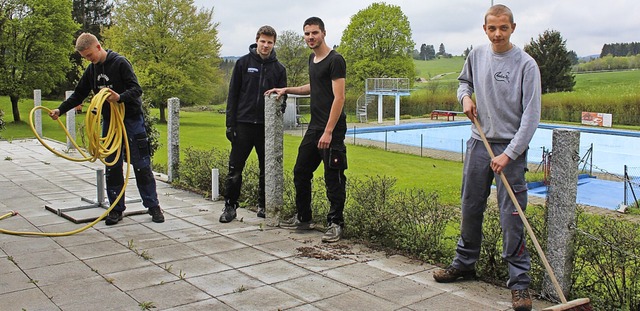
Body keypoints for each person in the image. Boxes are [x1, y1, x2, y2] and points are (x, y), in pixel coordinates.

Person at [431, 5, 541, 311]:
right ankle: (464, 264)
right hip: (479, 143)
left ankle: (519, 284)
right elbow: (463, 83)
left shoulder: (527, 65)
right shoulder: (476, 56)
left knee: (512, 217)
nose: (497, 34)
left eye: (503, 28)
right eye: (492, 28)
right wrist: (464, 98)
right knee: (470, 206)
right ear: (484, 28)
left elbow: (531, 117)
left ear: (513, 28)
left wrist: (510, 154)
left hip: (511, 150)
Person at [49, 33, 164, 226]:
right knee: (112, 166)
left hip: (131, 120)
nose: (88, 60)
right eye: (85, 57)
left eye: (89, 55)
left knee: (141, 165)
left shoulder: (120, 63)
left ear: (98, 46)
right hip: (110, 122)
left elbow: (136, 90)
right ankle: (115, 210)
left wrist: (119, 97)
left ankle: (153, 207)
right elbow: (79, 94)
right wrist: (60, 110)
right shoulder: (92, 70)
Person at [266, 17, 347, 243]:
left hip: (332, 129)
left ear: (323, 33)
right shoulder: (313, 59)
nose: (310, 37)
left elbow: (339, 98)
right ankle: (304, 218)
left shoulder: (335, 60)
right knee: (301, 171)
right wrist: (286, 89)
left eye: (314, 33)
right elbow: (314, 87)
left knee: (334, 177)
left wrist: (329, 131)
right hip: (314, 127)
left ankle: (336, 224)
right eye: (307, 33)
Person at [219, 25, 288, 223]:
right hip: (243, 124)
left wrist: (275, 122)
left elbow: (282, 99)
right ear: (256, 40)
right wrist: (230, 125)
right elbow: (232, 96)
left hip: (266, 128)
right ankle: (230, 206)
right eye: (263, 41)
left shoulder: (279, 69)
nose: (266, 45)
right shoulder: (242, 63)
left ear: (274, 44)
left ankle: (263, 205)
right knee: (235, 169)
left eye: (270, 42)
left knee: (266, 169)